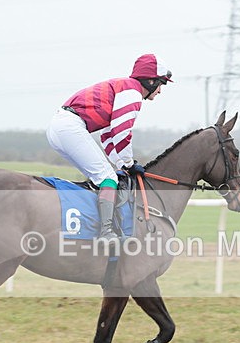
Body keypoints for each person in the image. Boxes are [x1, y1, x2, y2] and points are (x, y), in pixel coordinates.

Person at [46, 53, 174, 243]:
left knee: (102, 178)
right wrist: (129, 164)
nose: (160, 91)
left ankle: (90, 223)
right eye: (161, 84)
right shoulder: (132, 92)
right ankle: (106, 232)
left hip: (61, 127)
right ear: (150, 81)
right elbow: (122, 132)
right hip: (70, 127)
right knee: (107, 177)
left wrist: (121, 163)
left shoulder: (123, 88)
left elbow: (108, 136)